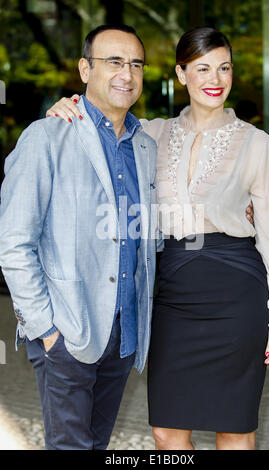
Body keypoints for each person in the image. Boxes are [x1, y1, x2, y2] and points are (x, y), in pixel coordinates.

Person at [46, 26, 269, 451]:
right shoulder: (151, 135)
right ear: (181, 75)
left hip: (236, 292)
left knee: (234, 429)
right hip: (169, 295)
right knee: (165, 431)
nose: (215, 80)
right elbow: (103, 126)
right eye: (202, 69)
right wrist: (68, 108)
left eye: (224, 68)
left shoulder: (258, 145)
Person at [0, 24, 159, 450]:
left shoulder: (146, 147)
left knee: (96, 445)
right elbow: (14, 243)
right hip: (66, 331)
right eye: (113, 62)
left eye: (135, 64)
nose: (126, 73)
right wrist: (45, 329)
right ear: (85, 69)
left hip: (122, 334)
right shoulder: (46, 137)